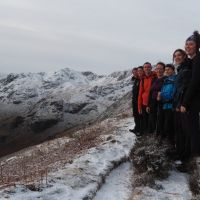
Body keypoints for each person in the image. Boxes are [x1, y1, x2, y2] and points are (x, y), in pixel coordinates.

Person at [181, 31, 200, 158]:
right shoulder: (192, 60)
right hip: (192, 99)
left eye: (191, 44)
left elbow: (194, 83)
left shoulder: (198, 59)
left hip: (195, 100)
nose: (188, 46)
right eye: (186, 44)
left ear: (197, 45)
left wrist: (185, 103)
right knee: (191, 130)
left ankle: (195, 160)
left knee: (193, 130)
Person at [173, 49, 192, 161]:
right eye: (175, 56)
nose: (177, 57)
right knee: (180, 131)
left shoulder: (188, 67)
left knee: (186, 131)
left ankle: (186, 158)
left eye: (179, 55)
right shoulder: (180, 69)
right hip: (178, 104)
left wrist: (182, 104)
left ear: (184, 56)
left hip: (184, 105)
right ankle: (180, 153)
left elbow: (186, 88)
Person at [157, 64, 176, 143]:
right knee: (165, 125)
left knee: (169, 126)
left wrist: (161, 94)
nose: (167, 71)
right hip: (165, 105)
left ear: (173, 70)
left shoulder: (175, 80)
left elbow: (174, 94)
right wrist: (160, 96)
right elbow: (162, 91)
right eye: (166, 70)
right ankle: (168, 142)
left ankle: (172, 143)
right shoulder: (166, 80)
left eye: (169, 69)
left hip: (171, 105)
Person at [146, 62, 165, 134]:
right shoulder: (154, 79)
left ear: (163, 70)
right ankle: (156, 134)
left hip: (161, 102)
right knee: (153, 119)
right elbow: (150, 93)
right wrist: (148, 105)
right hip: (152, 102)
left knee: (160, 120)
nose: (159, 70)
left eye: (160, 69)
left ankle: (161, 135)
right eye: (157, 68)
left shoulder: (165, 79)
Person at [138, 62, 156, 134]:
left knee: (153, 120)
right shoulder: (142, 79)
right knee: (146, 120)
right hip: (144, 103)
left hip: (153, 102)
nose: (147, 68)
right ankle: (148, 134)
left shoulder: (155, 76)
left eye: (148, 67)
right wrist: (139, 106)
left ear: (151, 68)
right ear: (143, 69)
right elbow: (140, 93)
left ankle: (154, 134)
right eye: (145, 67)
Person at [129, 67, 141, 133]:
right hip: (134, 101)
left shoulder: (140, 80)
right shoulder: (135, 80)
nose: (134, 73)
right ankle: (136, 128)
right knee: (135, 115)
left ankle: (139, 129)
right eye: (133, 72)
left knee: (139, 116)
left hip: (138, 101)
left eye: (135, 72)